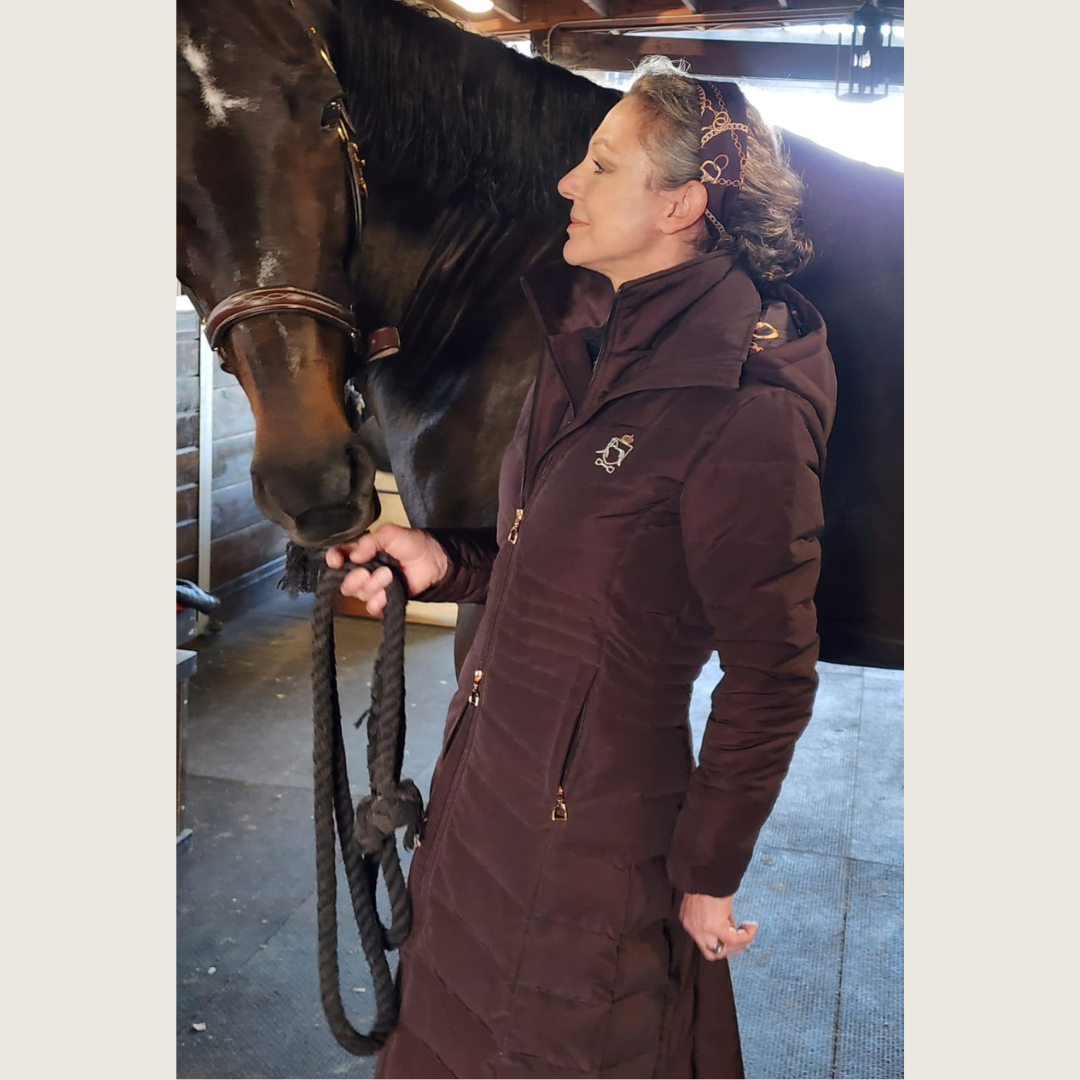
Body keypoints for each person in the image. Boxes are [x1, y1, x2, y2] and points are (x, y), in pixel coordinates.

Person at [327, 56, 836, 1080]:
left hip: (589, 849)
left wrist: (706, 871)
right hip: (482, 797)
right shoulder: (590, 337)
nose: (568, 183)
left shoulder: (746, 409)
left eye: (602, 166)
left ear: (684, 203)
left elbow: (772, 671)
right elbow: (561, 560)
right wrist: (444, 558)